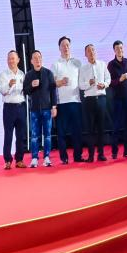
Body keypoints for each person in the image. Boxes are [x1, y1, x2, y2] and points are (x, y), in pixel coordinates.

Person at [52, 36, 84, 165]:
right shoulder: (56, 64)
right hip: (61, 103)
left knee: (77, 131)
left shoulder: (78, 62)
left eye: (67, 45)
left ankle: (78, 156)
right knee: (61, 132)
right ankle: (64, 158)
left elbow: (82, 81)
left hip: (76, 101)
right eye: (63, 45)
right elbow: (52, 84)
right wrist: (60, 82)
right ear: (59, 48)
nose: (65, 47)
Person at [24, 50, 57, 168]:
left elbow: (53, 90)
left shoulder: (48, 73)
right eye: (35, 58)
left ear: (41, 59)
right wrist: (31, 85)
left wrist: (54, 106)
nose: (37, 60)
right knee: (34, 135)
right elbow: (25, 91)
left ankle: (47, 157)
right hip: (34, 110)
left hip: (47, 108)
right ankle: (34, 158)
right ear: (31, 61)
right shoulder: (28, 75)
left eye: (39, 57)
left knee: (47, 134)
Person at [79, 44, 110, 161]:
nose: (91, 52)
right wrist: (89, 83)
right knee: (90, 129)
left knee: (101, 128)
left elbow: (108, 78)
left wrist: (104, 85)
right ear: (85, 54)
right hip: (89, 100)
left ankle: (101, 154)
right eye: (88, 51)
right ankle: (91, 155)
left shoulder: (102, 64)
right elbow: (80, 85)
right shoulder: (83, 68)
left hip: (101, 99)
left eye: (93, 50)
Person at [0, 50, 27, 170]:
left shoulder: (22, 74)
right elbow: (2, 91)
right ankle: (7, 160)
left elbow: (25, 90)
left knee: (21, 135)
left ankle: (19, 159)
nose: (11, 61)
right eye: (9, 58)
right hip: (9, 108)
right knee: (8, 135)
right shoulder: (3, 74)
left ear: (18, 60)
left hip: (21, 106)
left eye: (13, 58)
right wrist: (9, 85)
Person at [107, 40, 127, 159]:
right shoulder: (111, 64)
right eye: (117, 48)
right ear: (114, 50)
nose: (120, 50)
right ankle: (114, 151)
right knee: (116, 125)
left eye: (121, 48)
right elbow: (109, 82)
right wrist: (120, 79)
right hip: (117, 99)